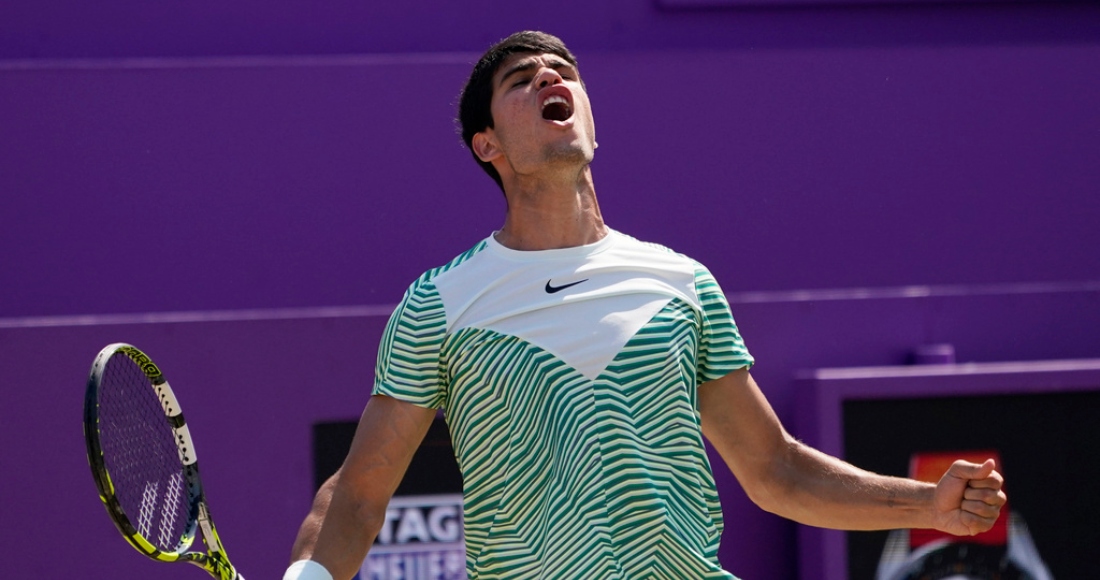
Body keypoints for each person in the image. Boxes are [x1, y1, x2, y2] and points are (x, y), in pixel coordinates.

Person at [283, 31, 1006, 580]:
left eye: (562, 73)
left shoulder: (681, 282)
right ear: (489, 144)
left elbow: (776, 470)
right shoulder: (441, 302)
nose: (549, 79)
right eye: (520, 81)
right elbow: (357, 491)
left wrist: (925, 505)